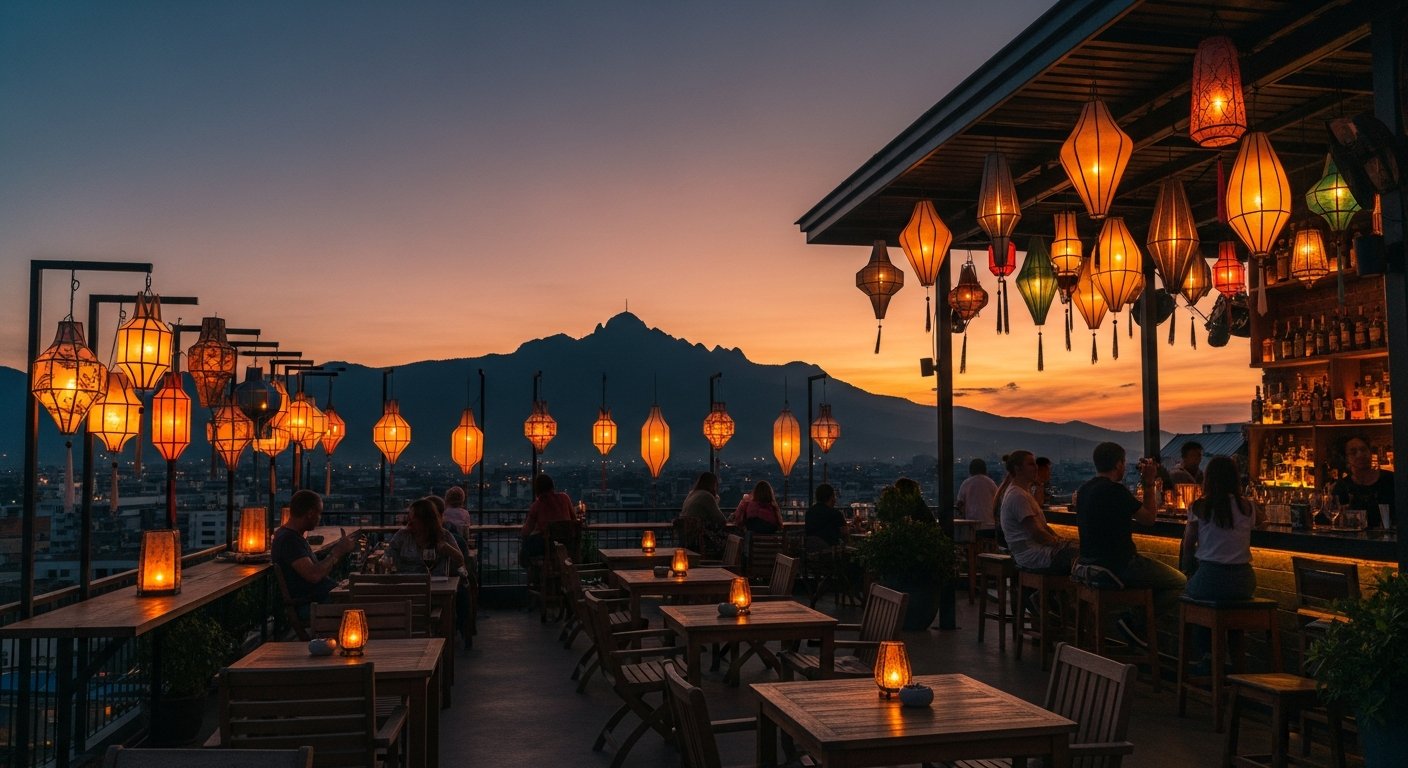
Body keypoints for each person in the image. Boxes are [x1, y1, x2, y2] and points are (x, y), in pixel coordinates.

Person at [1076, 442, 1187, 645]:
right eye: (1124, 463)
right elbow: (1148, 519)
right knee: (1180, 581)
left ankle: (1132, 621)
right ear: (1118, 464)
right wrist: (1149, 483)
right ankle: (1135, 622)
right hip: (1118, 567)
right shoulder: (1116, 491)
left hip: (1090, 566)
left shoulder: (1084, 490)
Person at [1181, 456, 1265, 670]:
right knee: (1225, 607)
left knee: (1194, 595)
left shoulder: (1199, 507)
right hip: (1244, 582)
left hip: (1210, 577)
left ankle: (1208, 658)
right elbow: (1263, 520)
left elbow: (1188, 544)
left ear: (1207, 479)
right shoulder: (1247, 507)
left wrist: (1186, 570)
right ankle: (1234, 665)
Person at [272, 489, 357, 612]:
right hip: (314, 605)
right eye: (319, 513)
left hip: (321, 599)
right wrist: (338, 551)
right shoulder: (288, 540)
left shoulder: (292, 537)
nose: (319, 518)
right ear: (310, 513)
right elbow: (314, 575)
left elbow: (315, 572)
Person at [1000, 451, 1077, 574]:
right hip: (1033, 556)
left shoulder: (1021, 492)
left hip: (1031, 553)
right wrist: (1059, 543)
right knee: (1081, 558)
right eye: (1031, 464)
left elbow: (1042, 528)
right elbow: (1036, 533)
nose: (1036, 468)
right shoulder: (1018, 496)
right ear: (1017, 469)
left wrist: (1059, 541)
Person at [382, 497, 466, 575]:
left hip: (436, 585)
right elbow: (388, 555)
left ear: (425, 520)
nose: (409, 521)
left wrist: (447, 549)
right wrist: (386, 561)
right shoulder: (402, 535)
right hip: (406, 584)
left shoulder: (444, 535)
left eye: (413, 517)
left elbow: (460, 561)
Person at [1332, 436, 1395, 529]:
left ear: (1370, 452)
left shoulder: (1390, 479)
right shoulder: (1342, 487)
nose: (1360, 455)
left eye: (1364, 450)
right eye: (1353, 452)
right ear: (1346, 458)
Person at [521, 473, 575, 559]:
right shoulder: (565, 498)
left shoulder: (537, 505)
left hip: (548, 546)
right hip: (567, 543)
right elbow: (574, 519)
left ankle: (530, 568)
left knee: (526, 544)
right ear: (552, 486)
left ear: (537, 490)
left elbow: (526, 531)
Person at [680, 472, 728, 555]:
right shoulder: (707, 496)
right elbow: (721, 519)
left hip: (687, 537)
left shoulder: (692, 494)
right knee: (732, 537)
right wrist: (715, 500)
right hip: (701, 537)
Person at [955, 458, 999, 538]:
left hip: (972, 525)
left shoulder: (966, 483)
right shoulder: (990, 483)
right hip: (990, 525)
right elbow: (998, 501)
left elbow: (960, 503)